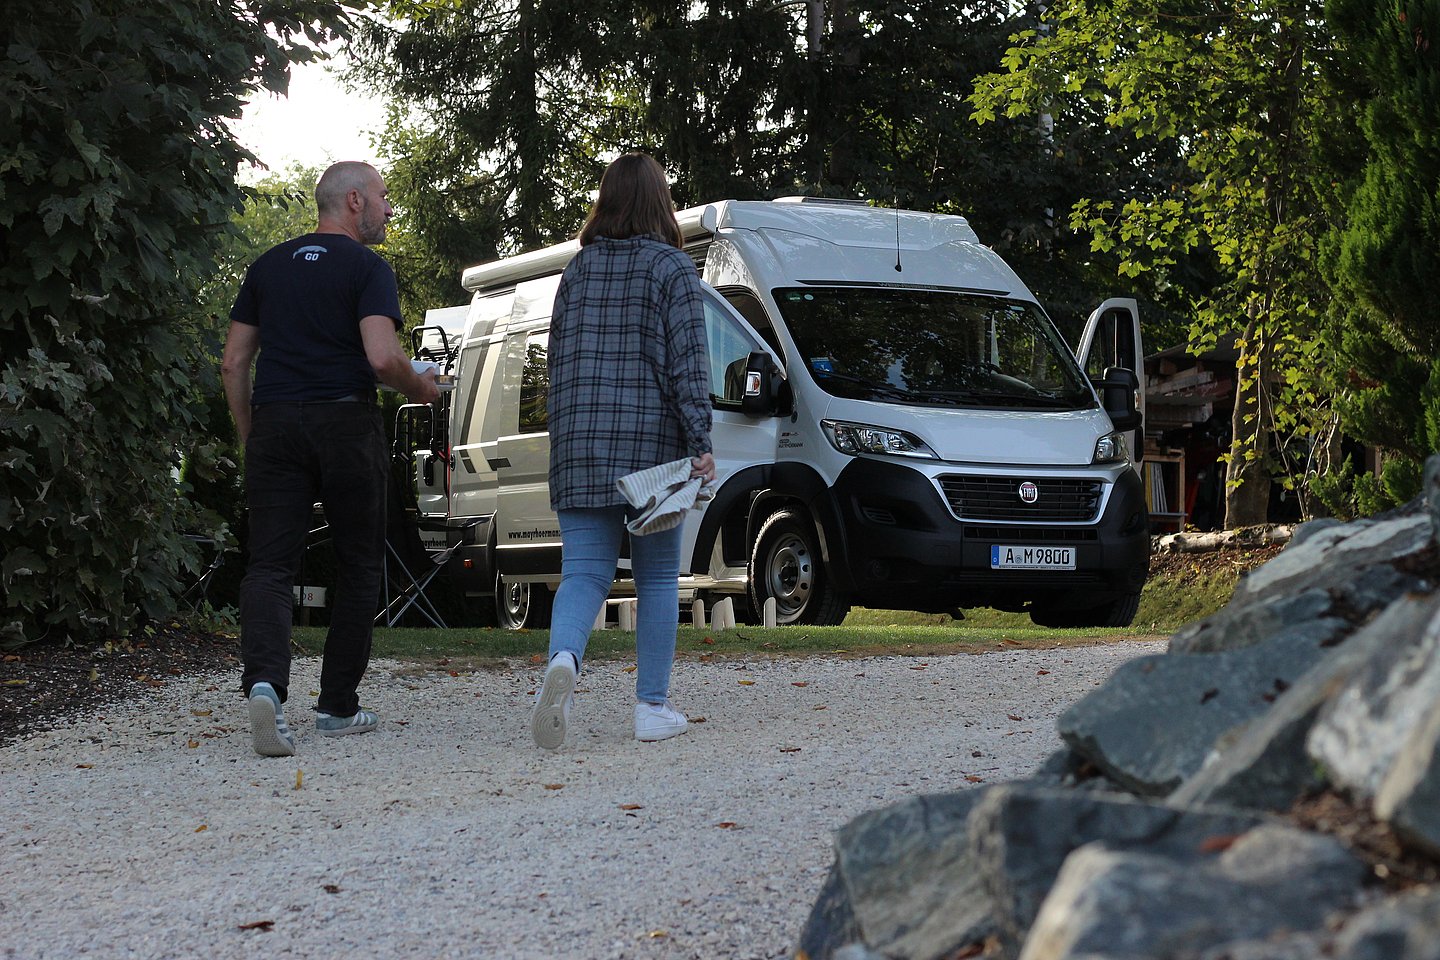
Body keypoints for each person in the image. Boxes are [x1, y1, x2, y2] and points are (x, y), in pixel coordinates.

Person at [221, 161, 439, 757]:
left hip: (275, 422)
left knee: (269, 564)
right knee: (360, 563)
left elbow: (234, 362)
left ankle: (265, 684)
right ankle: (337, 706)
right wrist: (421, 387)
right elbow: (380, 357)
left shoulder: (266, 267)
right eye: (383, 197)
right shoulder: (368, 268)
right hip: (345, 421)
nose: (389, 208)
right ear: (352, 201)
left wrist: (250, 431)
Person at [531, 152, 716, 751]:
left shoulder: (577, 271)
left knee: (584, 573)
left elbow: (555, 362)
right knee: (659, 577)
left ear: (605, 200)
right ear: (660, 201)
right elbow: (688, 365)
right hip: (652, 449)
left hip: (581, 441)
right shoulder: (673, 268)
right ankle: (651, 707)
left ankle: (563, 661)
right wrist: (700, 445)